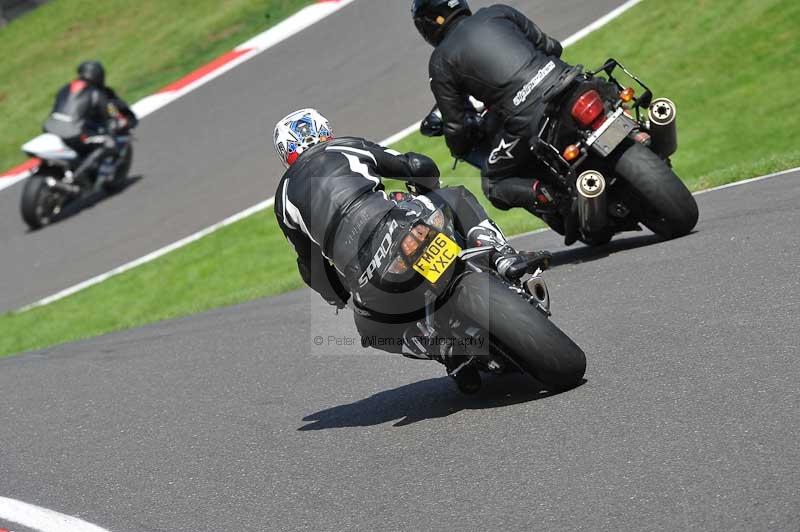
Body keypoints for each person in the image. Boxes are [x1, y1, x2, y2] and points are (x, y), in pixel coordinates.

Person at [273, 108, 551, 393]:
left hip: (366, 276)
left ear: (286, 153)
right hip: (399, 229)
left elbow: (310, 268)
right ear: (324, 130)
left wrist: (343, 297)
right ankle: (500, 255)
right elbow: (415, 165)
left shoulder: (283, 199)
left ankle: (443, 350)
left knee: (369, 329)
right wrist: (427, 188)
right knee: (455, 196)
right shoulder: (344, 147)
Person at [412, 0, 573, 230]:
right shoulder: (499, 11)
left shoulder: (441, 60)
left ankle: (553, 195)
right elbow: (552, 47)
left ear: (429, 22)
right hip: (567, 81)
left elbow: (456, 125)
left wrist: (459, 147)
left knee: (493, 181)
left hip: (526, 119)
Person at [44, 61, 138, 184]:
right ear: (98, 76)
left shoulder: (65, 88)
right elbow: (109, 114)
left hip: (50, 127)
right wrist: (118, 123)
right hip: (74, 133)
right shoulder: (96, 93)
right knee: (109, 143)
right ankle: (78, 177)